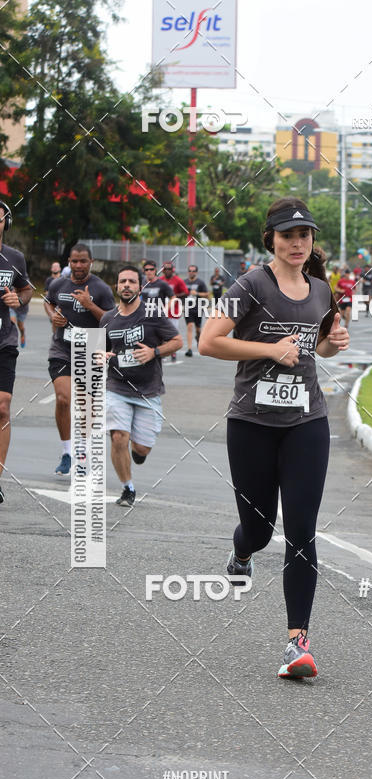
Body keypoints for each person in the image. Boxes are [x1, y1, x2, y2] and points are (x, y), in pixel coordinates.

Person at [199, 197, 348, 679]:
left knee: (302, 530)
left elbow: (314, 345)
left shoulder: (322, 290)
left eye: (304, 235)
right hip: (252, 423)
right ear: (272, 239)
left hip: (308, 421)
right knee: (261, 531)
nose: (297, 243)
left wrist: (331, 344)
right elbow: (209, 341)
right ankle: (242, 550)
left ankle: (297, 644)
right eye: (288, 235)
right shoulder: (250, 284)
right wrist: (269, 349)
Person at [101, 265, 183, 507]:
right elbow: (102, 349)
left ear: (140, 286)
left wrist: (154, 351)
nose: (126, 285)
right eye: (122, 281)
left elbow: (177, 341)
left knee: (141, 449)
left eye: (132, 282)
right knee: (118, 437)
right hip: (117, 387)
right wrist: (103, 356)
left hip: (149, 390)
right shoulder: (108, 319)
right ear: (117, 286)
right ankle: (128, 488)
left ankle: (137, 454)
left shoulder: (153, 314)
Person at [45, 243, 115, 476]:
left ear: (91, 262)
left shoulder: (101, 289)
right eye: (74, 261)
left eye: (83, 261)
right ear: (69, 262)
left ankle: (81, 452)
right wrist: (53, 316)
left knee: (86, 407)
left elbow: (110, 320)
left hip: (92, 347)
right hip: (62, 348)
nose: (78, 265)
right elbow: (49, 302)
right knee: (64, 399)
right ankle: (67, 452)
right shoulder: (58, 284)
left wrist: (89, 305)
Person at [0, 200, 32, 503]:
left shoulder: (14, 258)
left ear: (5, 223)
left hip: (4, 341)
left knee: (3, 407)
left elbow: (26, 289)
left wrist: (18, 301)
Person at [160, 262, 187, 362]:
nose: (167, 271)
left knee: (172, 333)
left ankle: (173, 353)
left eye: (169, 269)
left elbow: (186, 292)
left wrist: (174, 296)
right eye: (165, 269)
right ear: (163, 270)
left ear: (173, 270)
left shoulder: (178, 281)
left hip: (174, 311)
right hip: (162, 310)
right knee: (161, 332)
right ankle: (162, 353)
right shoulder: (160, 281)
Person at [183, 264, 209, 357]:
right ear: (188, 272)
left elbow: (207, 294)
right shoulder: (184, 282)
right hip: (187, 308)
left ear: (196, 272)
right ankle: (189, 349)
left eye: (193, 271)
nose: (191, 272)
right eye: (190, 271)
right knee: (189, 326)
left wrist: (197, 293)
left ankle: (198, 338)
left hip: (198, 308)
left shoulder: (200, 282)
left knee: (198, 329)